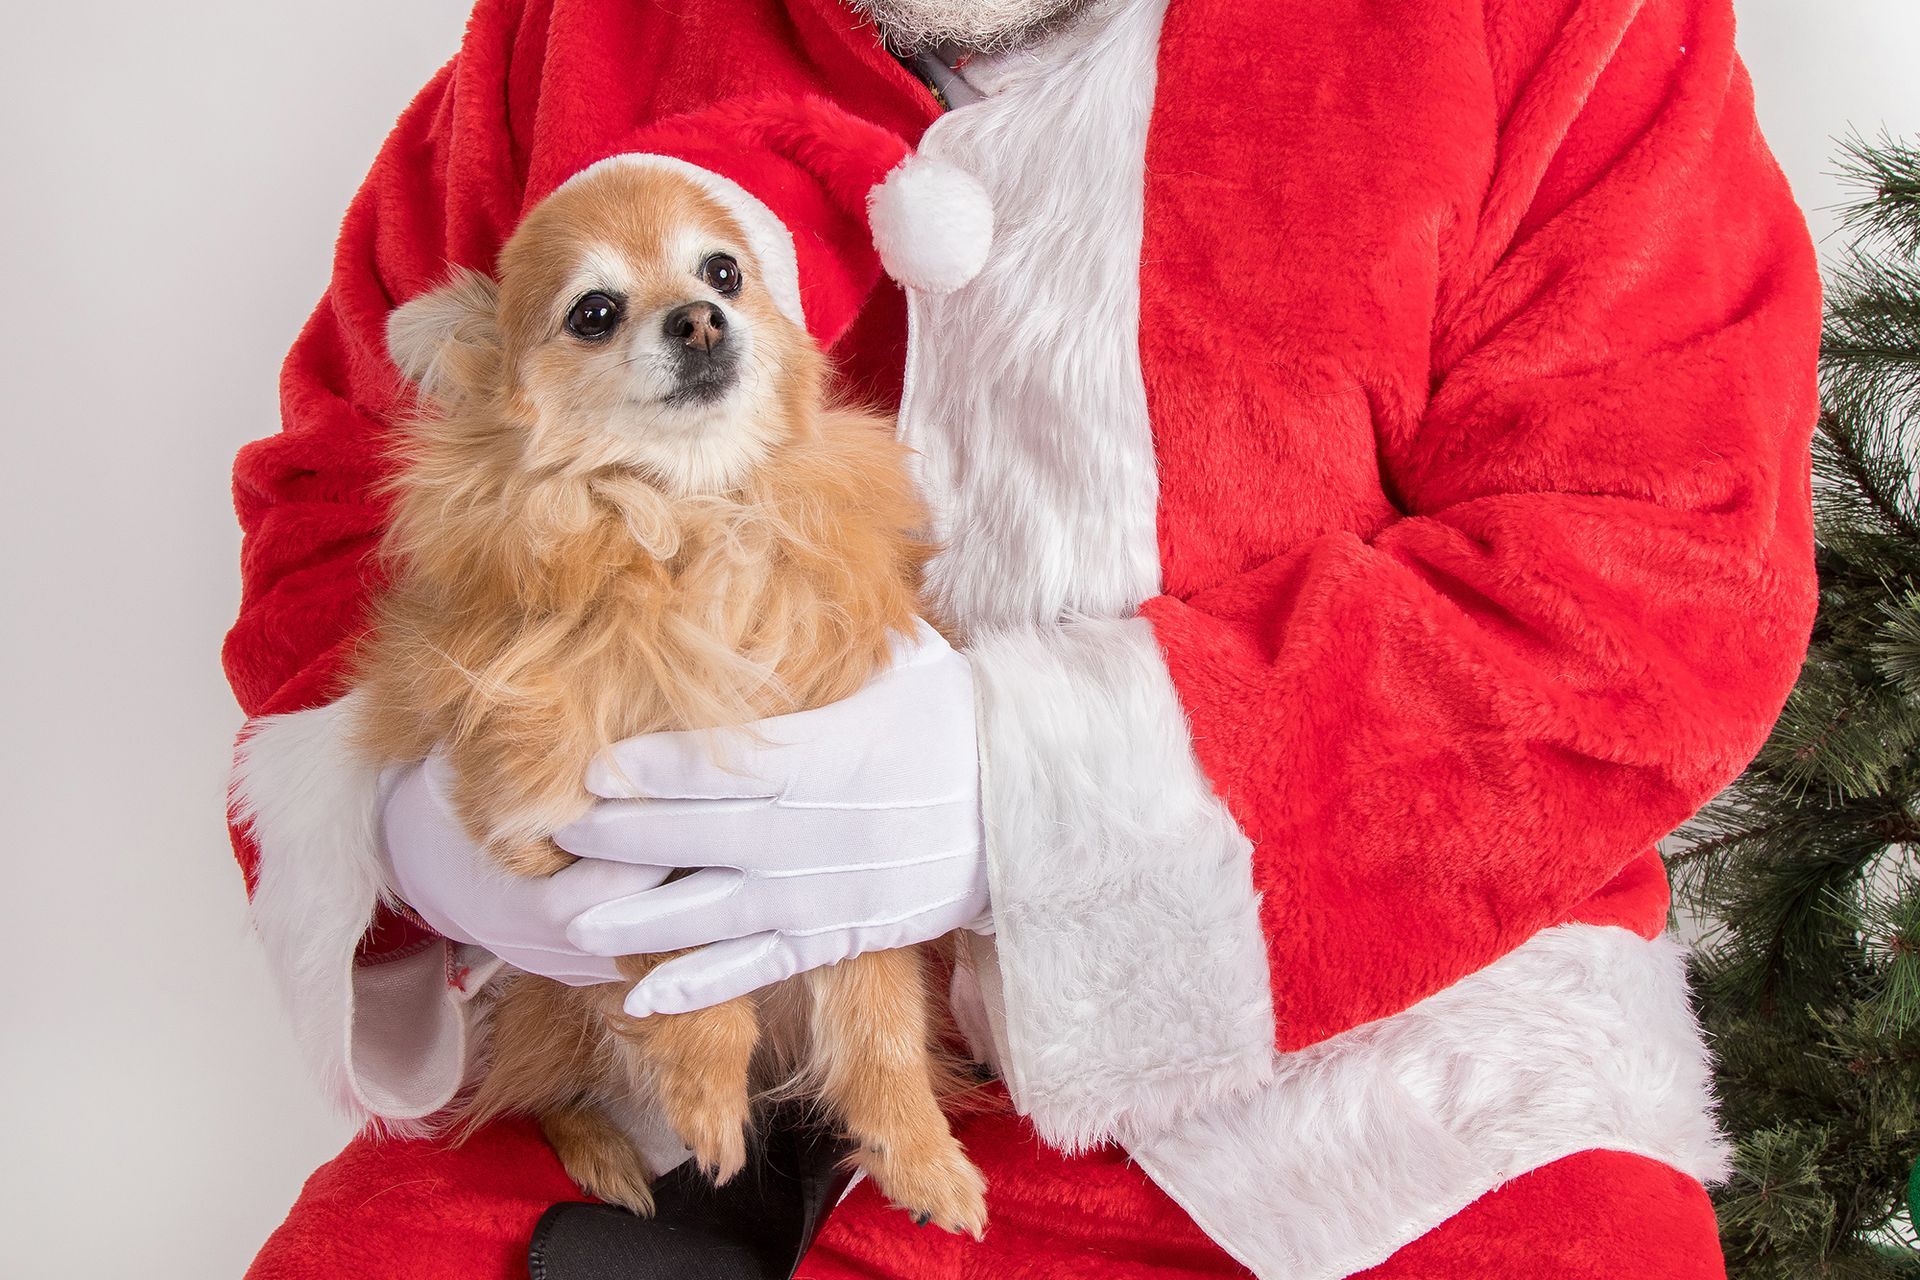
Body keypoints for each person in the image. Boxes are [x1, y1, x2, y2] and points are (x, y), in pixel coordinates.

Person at [224, 0, 1822, 1276]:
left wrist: (1025, 792)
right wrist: (409, 818)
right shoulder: (573, 28)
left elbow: (1651, 577)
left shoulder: (1551, 23)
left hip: (1358, 1093)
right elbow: (344, 487)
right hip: (653, 1067)